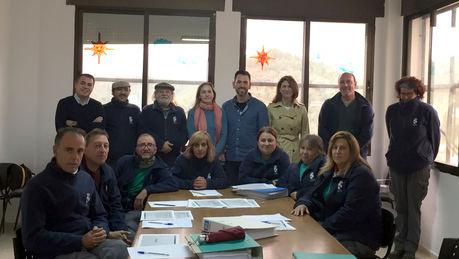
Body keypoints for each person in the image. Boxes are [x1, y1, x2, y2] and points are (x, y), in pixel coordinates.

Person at [21, 127, 127, 259]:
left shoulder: (85, 179)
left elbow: (100, 215)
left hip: (88, 240)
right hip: (57, 251)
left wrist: (100, 230)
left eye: (80, 151)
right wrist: (80, 241)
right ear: (55, 150)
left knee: (121, 248)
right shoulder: (36, 186)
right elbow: (32, 238)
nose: (75, 157)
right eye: (69, 150)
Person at [291, 131, 381, 258]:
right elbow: (312, 193)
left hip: (357, 237)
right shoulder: (330, 171)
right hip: (334, 229)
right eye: (335, 147)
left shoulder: (361, 175)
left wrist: (322, 229)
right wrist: (303, 203)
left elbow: (350, 213)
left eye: (342, 148)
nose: (337, 151)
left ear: (353, 151)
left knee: (312, 251)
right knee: (298, 243)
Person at [385, 77, 440, 259]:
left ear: (418, 93)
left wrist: (426, 158)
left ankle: (410, 249)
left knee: (413, 208)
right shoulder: (392, 111)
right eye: (402, 93)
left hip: (418, 166)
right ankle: (398, 245)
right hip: (397, 165)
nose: (406, 97)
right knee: (400, 207)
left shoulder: (427, 111)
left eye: (409, 93)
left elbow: (434, 139)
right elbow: (391, 134)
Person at [114, 133, 177, 234]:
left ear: (155, 149)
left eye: (150, 145)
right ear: (136, 148)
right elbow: (112, 188)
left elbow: (172, 183)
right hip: (118, 208)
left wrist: (147, 190)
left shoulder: (160, 166)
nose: (146, 148)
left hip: (137, 211)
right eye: (142, 145)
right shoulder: (124, 162)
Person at [81, 128, 131, 244]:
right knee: (119, 249)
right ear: (85, 149)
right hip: (90, 232)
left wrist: (120, 229)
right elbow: (82, 215)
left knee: (134, 237)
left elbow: (116, 205)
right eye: (97, 146)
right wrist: (108, 234)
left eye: (106, 146)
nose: (103, 150)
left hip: (107, 224)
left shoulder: (108, 171)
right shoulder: (77, 175)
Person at [222, 70, 269, 185]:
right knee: (230, 194)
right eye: (239, 82)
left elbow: (264, 135)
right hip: (230, 160)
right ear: (234, 84)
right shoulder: (226, 107)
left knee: (250, 195)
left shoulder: (260, 107)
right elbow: (223, 132)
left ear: (250, 85)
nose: (242, 85)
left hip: (252, 160)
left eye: (245, 82)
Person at [318, 72, 374, 159]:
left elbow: (367, 133)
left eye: (348, 82)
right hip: (334, 154)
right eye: (342, 82)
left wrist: (352, 150)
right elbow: (322, 130)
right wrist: (334, 148)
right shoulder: (328, 105)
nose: (345, 85)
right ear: (338, 85)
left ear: (355, 84)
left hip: (356, 155)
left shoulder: (365, 106)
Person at [139, 82, 187, 167]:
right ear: (155, 94)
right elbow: (144, 131)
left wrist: (171, 146)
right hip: (152, 155)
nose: (164, 94)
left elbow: (184, 133)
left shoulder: (179, 112)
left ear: (172, 95)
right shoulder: (147, 110)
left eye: (167, 92)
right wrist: (161, 144)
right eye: (161, 92)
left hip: (174, 156)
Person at [268, 75, 309, 163]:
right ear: (279, 89)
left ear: (294, 89)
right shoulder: (271, 108)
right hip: (277, 149)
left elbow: (305, 133)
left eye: (289, 86)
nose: (287, 89)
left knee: (293, 175)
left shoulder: (301, 109)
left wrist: (305, 152)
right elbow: (268, 132)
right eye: (284, 86)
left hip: (295, 150)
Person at [187, 82, 227, 159]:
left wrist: (213, 153)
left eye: (209, 91)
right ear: (199, 96)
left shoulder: (221, 112)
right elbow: (192, 136)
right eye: (203, 92)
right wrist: (201, 152)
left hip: (216, 156)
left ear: (213, 94)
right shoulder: (192, 113)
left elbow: (224, 135)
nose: (207, 94)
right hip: (197, 156)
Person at [104, 81, 140, 165]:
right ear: (112, 92)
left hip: (131, 158)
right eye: (119, 90)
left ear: (129, 92)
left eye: (126, 90)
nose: (123, 92)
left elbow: (139, 132)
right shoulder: (104, 109)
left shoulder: (135, 110)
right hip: (109, 158)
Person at [287, 134, 326, 200]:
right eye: (302, 148)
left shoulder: (323, 166)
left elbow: (318, 188)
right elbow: (281, 183)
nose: (305, 152)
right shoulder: (294, 166)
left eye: (309, 149)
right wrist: (291, 192)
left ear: (318, 151)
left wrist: (298, 194)